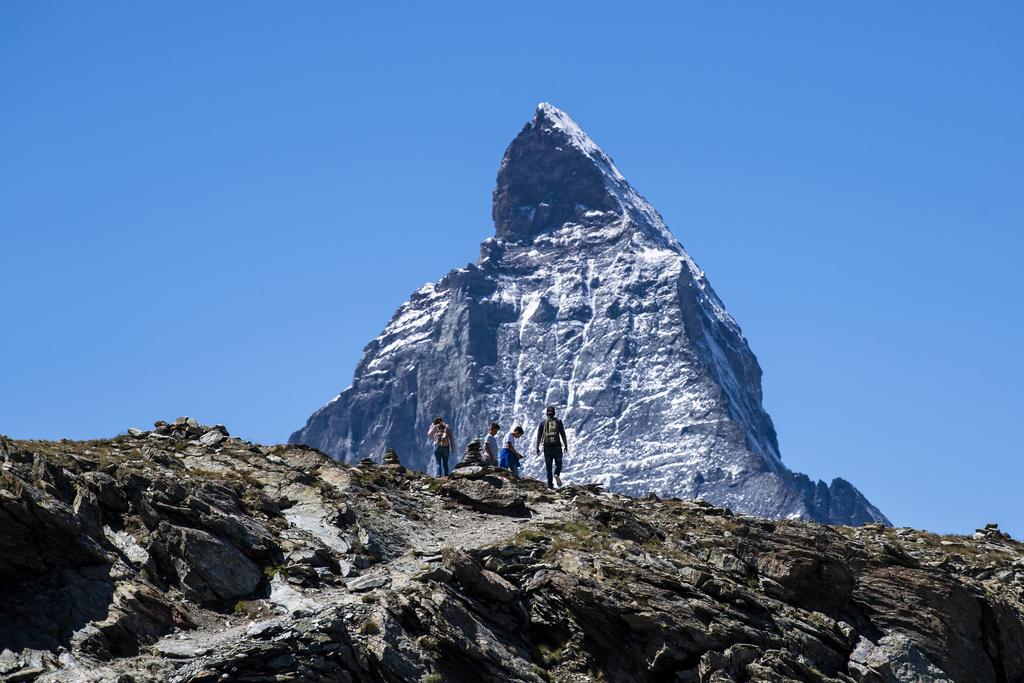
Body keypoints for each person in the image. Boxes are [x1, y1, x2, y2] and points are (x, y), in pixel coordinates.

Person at [535, 406, 568, 489]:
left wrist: (537, 447)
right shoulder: (558, 421)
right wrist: (566, 445)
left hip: (547, 447)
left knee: (548, 467)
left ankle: (550, 485)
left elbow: (539, 436)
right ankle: (556, 474)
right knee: (559, 464)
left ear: (547, 413)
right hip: (557, 446)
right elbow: (563, 434)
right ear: (554, 413)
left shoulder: (542, 423)